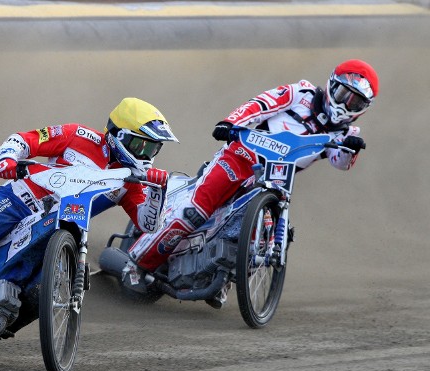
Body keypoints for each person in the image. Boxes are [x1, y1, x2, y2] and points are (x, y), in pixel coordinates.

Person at [0, 97, 179, 363]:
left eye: (155, 148)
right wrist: (7, 159)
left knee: (43, 288)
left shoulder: (133, 181)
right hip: (17, 202)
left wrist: (157, 188)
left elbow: (147, 224)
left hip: (62, 227)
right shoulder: (79, 135)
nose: (148, 154)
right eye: (143, 144)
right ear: (119, 135)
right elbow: (25, 140)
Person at [124, 59, 379, 305]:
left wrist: (350, 149)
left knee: (260, 231)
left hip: (275, 180)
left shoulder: (346, 134)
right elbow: (259, 105)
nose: (347, 103)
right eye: (344, 94)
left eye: (355, 101)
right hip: (239, 158)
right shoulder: (300, 92)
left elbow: (340, 162)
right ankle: (136, 265)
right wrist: (230, 123)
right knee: (195, 211)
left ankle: (220, 276)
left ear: (364, 108)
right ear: (332, 85)